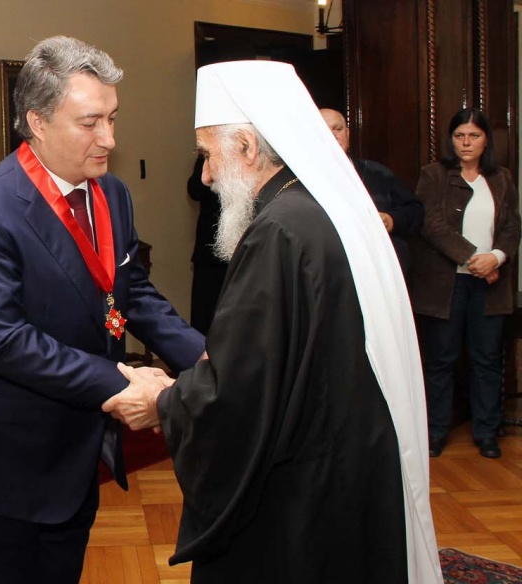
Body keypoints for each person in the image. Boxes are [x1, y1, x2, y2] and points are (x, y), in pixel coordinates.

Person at [102, 61, 441, 583]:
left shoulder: (278, 231)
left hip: (299, 489)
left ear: (247, 147)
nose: (206, 176)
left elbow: (243, 392)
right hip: (347, 460)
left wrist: (164, 402)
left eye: (207, 155)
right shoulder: (319, 208)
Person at [0, 36, 204, 582]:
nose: (109, 138)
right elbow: (2, 340)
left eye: (112, 117)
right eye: (90, 122)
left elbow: (132, 292)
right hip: (5, 460)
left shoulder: (111, 193)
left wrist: (203, 358)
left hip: (77, 452)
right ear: (37, 122)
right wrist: (121, 383)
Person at [411, 108, 520, 460]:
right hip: (447, 286)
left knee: (487, 359)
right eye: (459, 135)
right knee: (440, 360)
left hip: (490, 285)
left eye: (474, 135)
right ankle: (435, 432)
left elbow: (512, 227)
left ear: (486, 140)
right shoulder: (434, 174)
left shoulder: (501, 177)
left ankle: (487, 432)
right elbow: (432, 225)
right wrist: (476, 259)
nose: (466, 142)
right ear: (451, 140)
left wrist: (496, 258)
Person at [319, 108, 423, 277]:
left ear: (348, 134)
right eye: (324, 130)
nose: (332, 135)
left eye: (337, 129)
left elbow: (415, 211)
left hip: (380, 273)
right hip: (332, 273)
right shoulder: (298, 180)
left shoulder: (377, 173)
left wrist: (391, 220)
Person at [187, 154, 227, 334]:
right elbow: (194, 190)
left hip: (242, 252)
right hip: (209, 252)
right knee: (204, 322)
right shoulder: (209, 152)